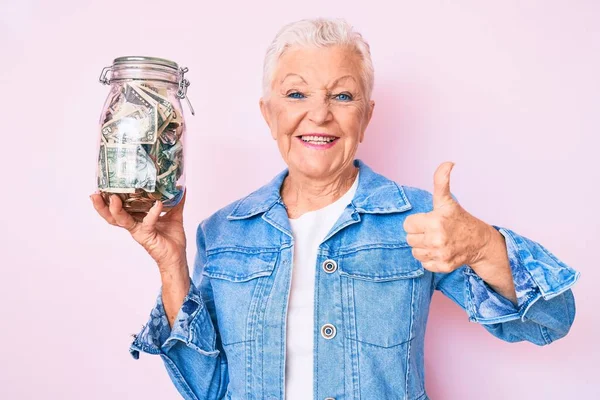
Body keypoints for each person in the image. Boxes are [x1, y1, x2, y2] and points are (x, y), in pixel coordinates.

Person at [90, 17, 580, 400]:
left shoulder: (421, 221)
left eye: (342, 95)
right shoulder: (223, 232)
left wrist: (483, 244)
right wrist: (171, 261)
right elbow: (208, 388)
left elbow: (549, 320)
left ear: (366, 115)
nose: (319, 114)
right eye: (296, 93)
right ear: (269, 113)